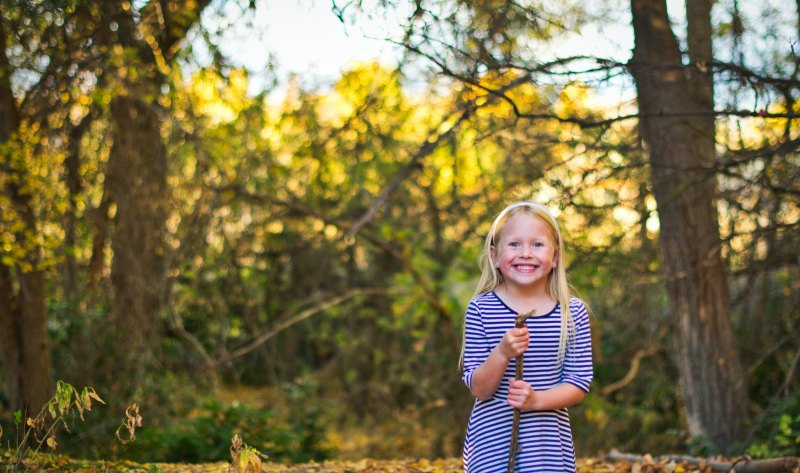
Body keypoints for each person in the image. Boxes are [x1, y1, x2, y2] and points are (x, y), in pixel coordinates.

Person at [460, 201, 593, 473]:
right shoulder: (481, 309)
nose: (525, 254)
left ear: (555, 256)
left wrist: (537, 401)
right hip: (490, 447)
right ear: (495, 255)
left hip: (547, 450)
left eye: (537, 245)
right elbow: (479, 389)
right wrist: (501, 353)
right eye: (514, 245)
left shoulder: (571, 313)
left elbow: (578, 382)